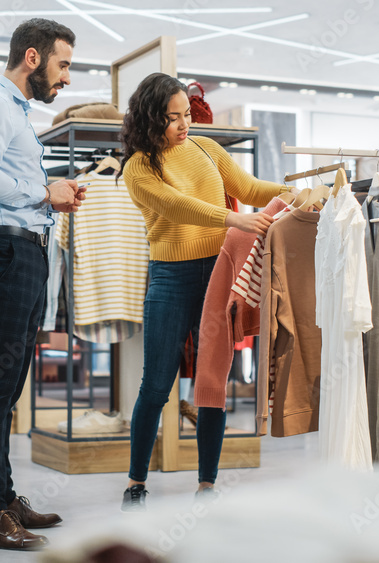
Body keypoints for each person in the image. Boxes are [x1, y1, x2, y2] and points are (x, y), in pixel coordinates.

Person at [119, 72, 288, 511]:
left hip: (219, 271)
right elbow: (177, 206)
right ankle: (136, 483)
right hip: (170, 276)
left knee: (213, 379)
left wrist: (296, 192)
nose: (183, 124)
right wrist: (233, 220)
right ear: (150, 119)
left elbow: (249, 189)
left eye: (186, 114)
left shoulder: (208, 150)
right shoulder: (139, 167)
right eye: (172, 118)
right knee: (156, 385)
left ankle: (207, 486)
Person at [0, 18, 85, 551]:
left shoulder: (16, 113)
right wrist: (43, 195)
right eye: (63, 65)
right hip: (3, 251)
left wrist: (51, 190)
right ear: (32, 58)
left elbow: (6, 177)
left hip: (22, 252)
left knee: (9, 383)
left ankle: (3, 497)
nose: (67, 79)